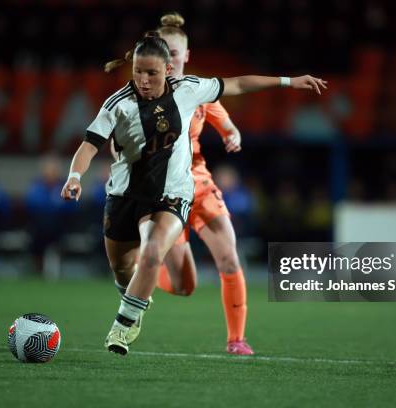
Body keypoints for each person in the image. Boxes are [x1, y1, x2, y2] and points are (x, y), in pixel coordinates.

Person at [60, 31, 326, 356]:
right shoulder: (118, 104)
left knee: (154, 249)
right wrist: (75, 176)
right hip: (125, 195)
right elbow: (89, 145)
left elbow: (238, 84)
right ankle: (138, 295)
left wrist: (287, 81)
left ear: (169, 69)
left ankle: (123, 326)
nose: (144, 80)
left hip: (175, 193)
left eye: (152, 73)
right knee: (122, 268)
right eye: (138, 72)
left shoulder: (188, 90)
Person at [154, 13, 255, 355]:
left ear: (186, 55)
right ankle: (146, 268)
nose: (169, 59)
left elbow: (226, 124)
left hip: (198, 184)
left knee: (229, 257)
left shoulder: (199, 91)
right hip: (164, 195)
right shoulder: (143, 95)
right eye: (162, 51)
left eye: (174, 51)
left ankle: (236, 339)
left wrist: (232, 135)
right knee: (183, 286)